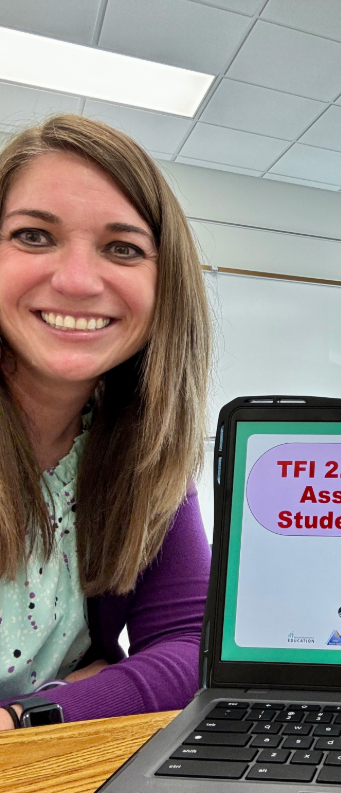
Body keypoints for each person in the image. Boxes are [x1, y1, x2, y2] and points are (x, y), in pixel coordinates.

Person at [0, 114, 211, 728]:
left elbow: (187, 647)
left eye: (123, 248)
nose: (76, 281)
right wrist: (96, 685)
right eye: (33, 236)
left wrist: (32, 713)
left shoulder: (146, 448)